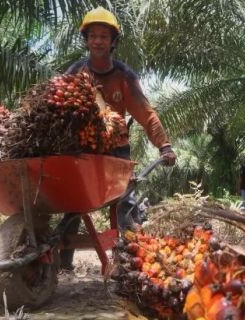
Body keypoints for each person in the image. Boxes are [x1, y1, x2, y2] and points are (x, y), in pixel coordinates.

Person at [59, 7, 177, 271]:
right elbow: (59, 108)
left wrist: (164, 145)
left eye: (104, 36)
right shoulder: (76, 72)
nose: (98, 41)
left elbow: (146, 114)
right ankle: (61, 264)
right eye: (93, 36)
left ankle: (132, 261)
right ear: (86, 40)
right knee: (74, 202)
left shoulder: (124, 76)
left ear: (113, 42)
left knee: (126, 200)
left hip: (116, 151)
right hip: (84, 150)